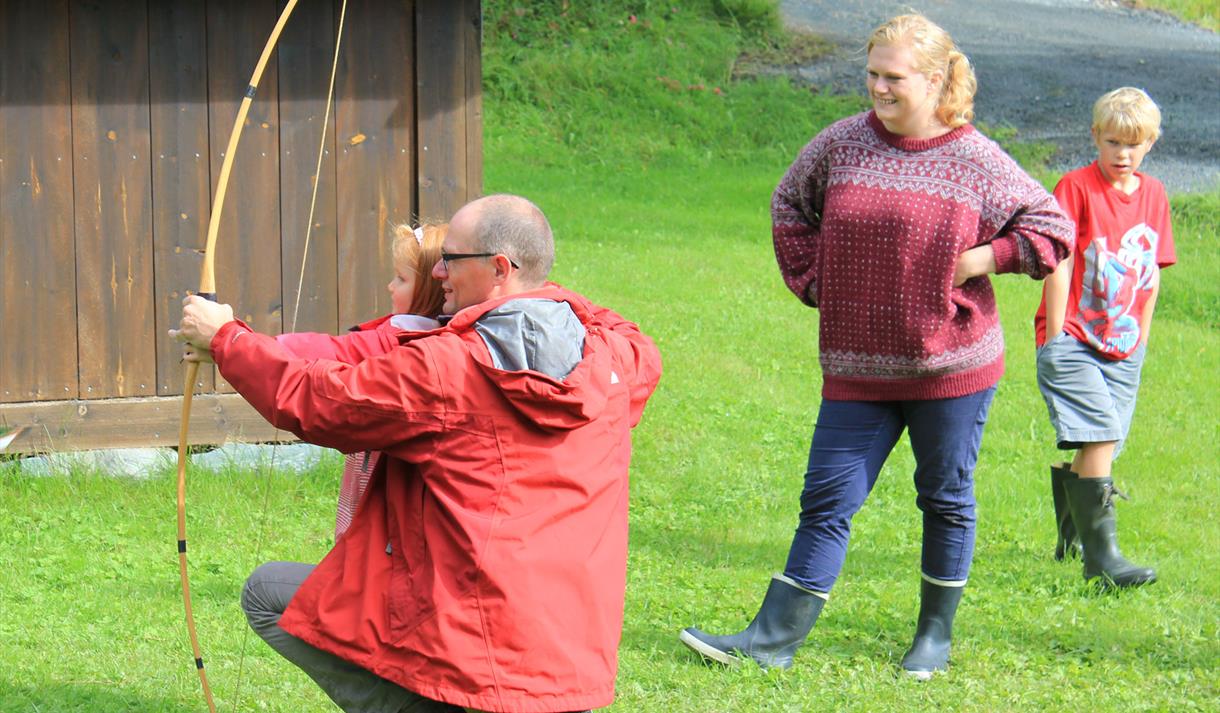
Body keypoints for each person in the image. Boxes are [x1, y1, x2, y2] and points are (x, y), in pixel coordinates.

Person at [679, 13, 1073, 679]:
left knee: (944, 497)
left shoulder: (976, 159)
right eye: (872, 74)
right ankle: (773, 639)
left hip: (950, 366)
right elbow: (788, 204)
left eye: (894, 77)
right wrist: (816, 281)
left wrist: (983, 258)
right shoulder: (841, 145)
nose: (879, 88)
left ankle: (933, 639)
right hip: (857, 367)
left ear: (935, 80)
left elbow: (1053, 228)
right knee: (826, 500)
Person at [173, 194, 663, 712]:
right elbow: (622, 329)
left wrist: (226, 339)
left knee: (266, 594)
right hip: (566, 663)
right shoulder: (616, 356)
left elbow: (319, 400)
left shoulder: (445, 369)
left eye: (450, 259)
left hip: (475, 659)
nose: (439, 272)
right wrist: (537, 291)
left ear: (500, 268)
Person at [1034, 87, 1173, 589]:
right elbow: (1059, 261)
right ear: (1095, 136)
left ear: (1151, 143)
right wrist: (1054, 335)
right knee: (1100, 434)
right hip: (1073, 338)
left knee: (1103, 444)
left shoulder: (1154, 196)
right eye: (1113, 142)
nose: (1123, 154)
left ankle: (1072, 537)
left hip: (1125, 343)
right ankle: (1104, 561)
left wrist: (1142, 340)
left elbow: (1152, 272)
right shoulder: (1076, 187)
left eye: (1134, 145)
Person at [276, 222, 446, 540]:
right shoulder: (417, 336)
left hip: (387, 484)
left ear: (430, 290)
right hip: (377, 467)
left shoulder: (402, 341)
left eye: (402, 279)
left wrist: (236, 340)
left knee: (369, 536)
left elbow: (323, 351)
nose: (391, 286)